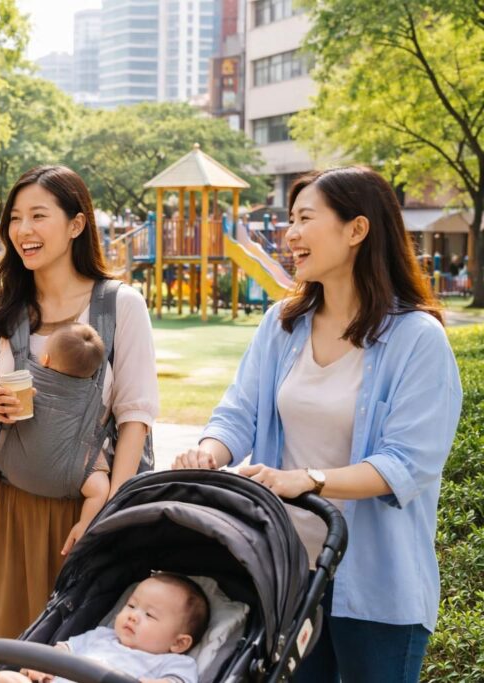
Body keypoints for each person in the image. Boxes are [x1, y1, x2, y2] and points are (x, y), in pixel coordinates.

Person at [173, 167, 462, 683]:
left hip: (377, 583)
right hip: (285, 572)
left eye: (306, 218)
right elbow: (240, 412)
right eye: (290, 220)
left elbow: (408, 462)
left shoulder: (417, 338)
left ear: (357, 229)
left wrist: (310, 479)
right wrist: (210, 452)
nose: (290, 234)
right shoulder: (283, 324)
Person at [0, 165, 158, 641]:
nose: (23, 230)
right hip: (10, 512)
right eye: (14, 218)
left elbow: (136, 416)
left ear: (76, 224)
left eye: (38, 216)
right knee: (4, 652)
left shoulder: (120, 306)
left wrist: (110, 508)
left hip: (85, 510)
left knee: (76, 653)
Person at [0, 322, 111, 554]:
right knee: (100, 487)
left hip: (13, 464)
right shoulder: (92, 390)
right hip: (70, 474)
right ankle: (85, 523)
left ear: (46, 360)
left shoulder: (27, 378)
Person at [0, 574, 207, 683]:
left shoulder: (174, 663)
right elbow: (65, 649)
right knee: (5, 679)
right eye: (131, 605)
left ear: (179, 643)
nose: (133, 615)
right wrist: (43, 665)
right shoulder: (102, 636)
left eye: (149, 615)